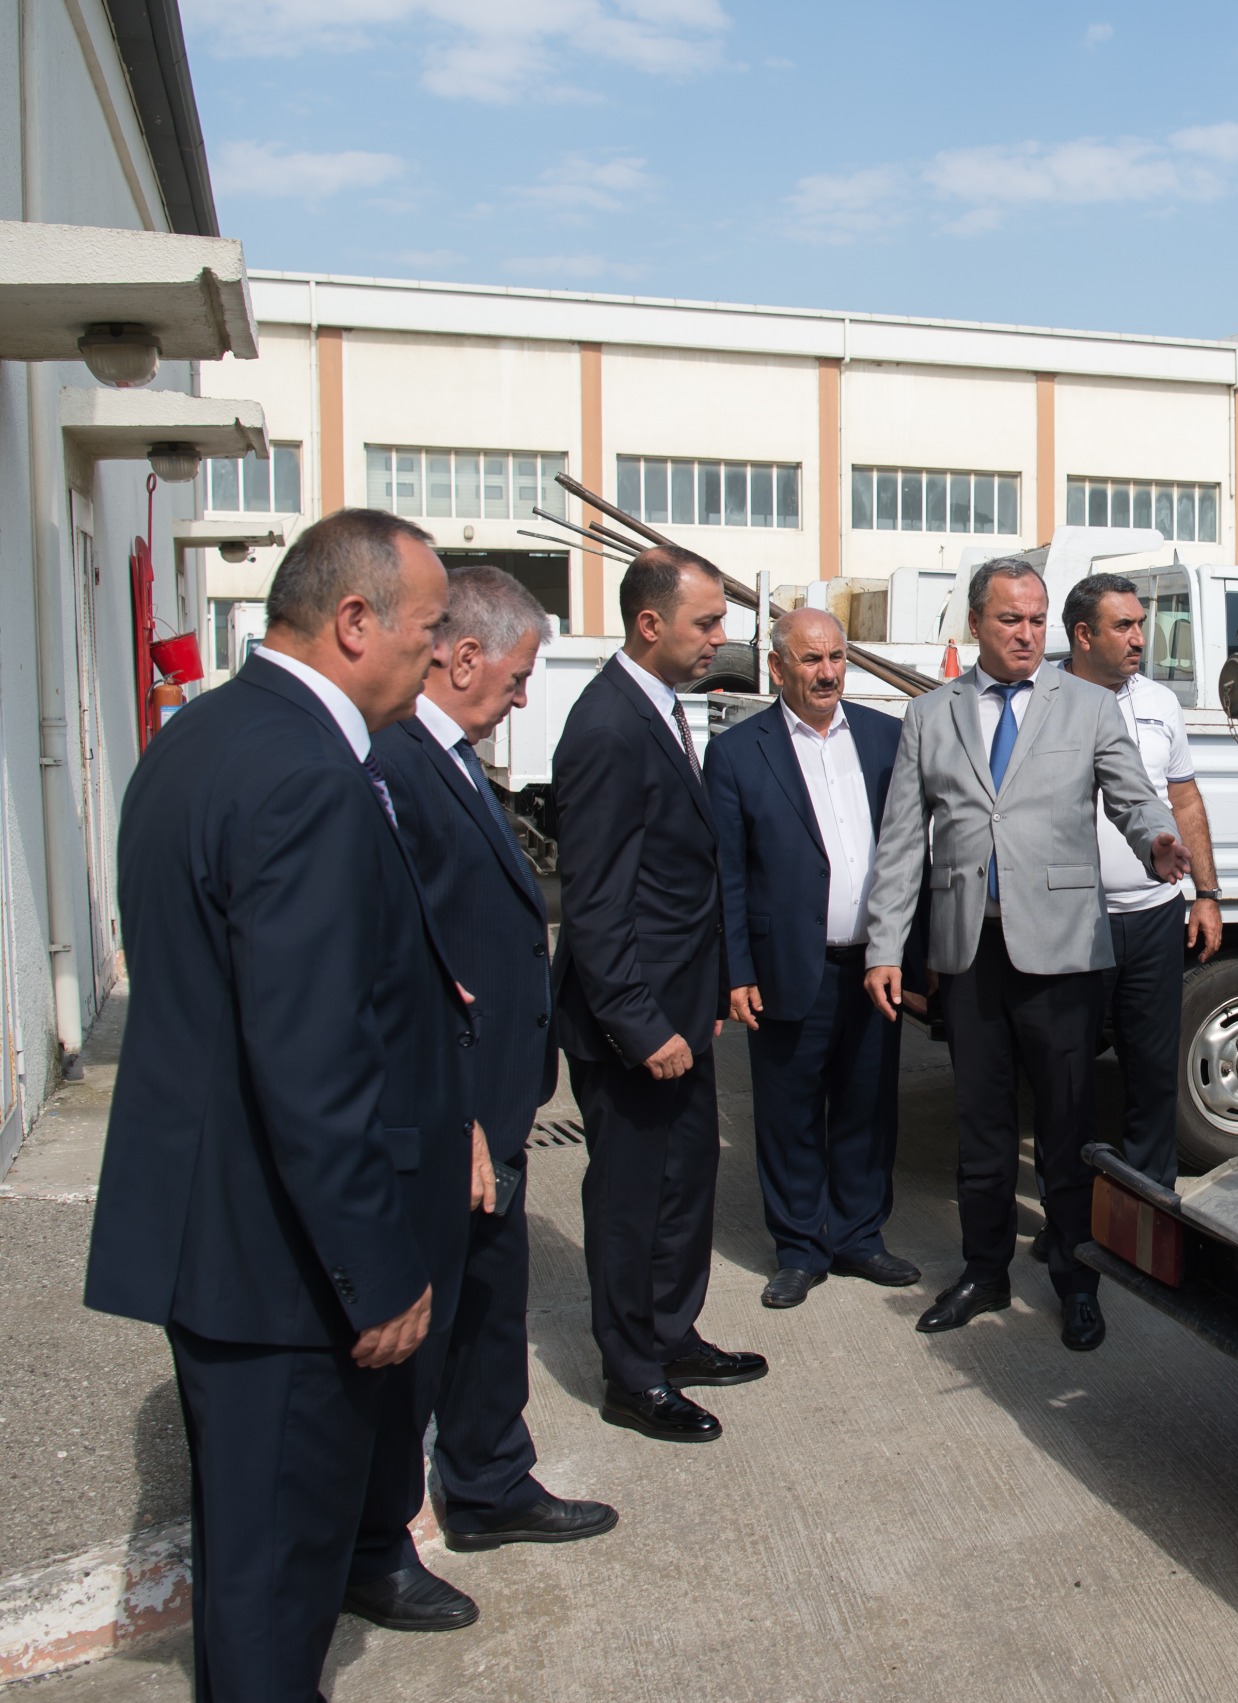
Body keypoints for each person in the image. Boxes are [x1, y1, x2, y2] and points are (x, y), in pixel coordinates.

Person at [83, 508, 470, 1700]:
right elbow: (312, 1058)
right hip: (282, 1264)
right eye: (427, 627)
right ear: (354, 620)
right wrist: (377, 1269)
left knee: (250, 1560)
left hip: (214, 1235)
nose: (440, 653)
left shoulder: (198, 739)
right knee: (272, 1587)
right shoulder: (309, 776)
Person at [363, 567, 617, 1606]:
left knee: (487, 1306)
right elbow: (401, 966)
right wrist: (459, 1110)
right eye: (516, 677)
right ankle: (376, 1541)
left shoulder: (452, 760)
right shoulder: (396, 765)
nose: (521, 697)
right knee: (418, 1334)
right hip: (450, 1114)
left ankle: (489, 1480)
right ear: (464, 657)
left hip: (493, 1108)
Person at [862, 558, 1188, 1353]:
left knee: (1068, 1125)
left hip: (1064, 952)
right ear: (975, 623)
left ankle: (1076, 1279)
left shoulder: (1088, 705)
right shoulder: (930, 715)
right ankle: (984, 1271)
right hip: (970, 951)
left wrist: (1157, 840)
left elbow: (1133, 794)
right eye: (1010, 619)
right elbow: (902, 842)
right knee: (981, 1124)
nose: (1027, 634)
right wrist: (885, 946)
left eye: (1037, 620)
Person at [553, 545, 764, 1442]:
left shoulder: (660, 710)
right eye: (706, 622)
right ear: (650, 623)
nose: (720, 637)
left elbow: (679, 875)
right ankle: (631, 1372)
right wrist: (640, 1026)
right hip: (631, 1023)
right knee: (630, 1199)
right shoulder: (606, 726)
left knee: (685, 1182)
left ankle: (672, 1334)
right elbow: (595, 902)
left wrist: (703, 991)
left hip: (681, 1007)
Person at [705, 607, 920, 1309]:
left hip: (873, 966)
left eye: (836, 657)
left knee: (868, 1107)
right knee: (788, 1112)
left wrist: (912, 955)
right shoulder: (739, 753)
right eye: (810, 659)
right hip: (786, 964)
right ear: (777, 668)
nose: (828, 673)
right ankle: (799, 1248)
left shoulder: (886, 738)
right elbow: (727, 874)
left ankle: (859, 1236)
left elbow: (911, 851)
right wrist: (736, 970)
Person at [1060, 574, 1224, 1190]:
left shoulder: (1159, 703)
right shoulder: (1043, 703)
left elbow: (1184, 799)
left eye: (1140, 623)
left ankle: (1149, 1199)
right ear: (1083, 635)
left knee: (1154, 1072)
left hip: (1155, 916)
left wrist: (1205, 894)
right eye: (1123, 626)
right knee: (1068, 1076)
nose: (1140, 638)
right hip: (1076, 922)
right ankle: (1072, 1209)